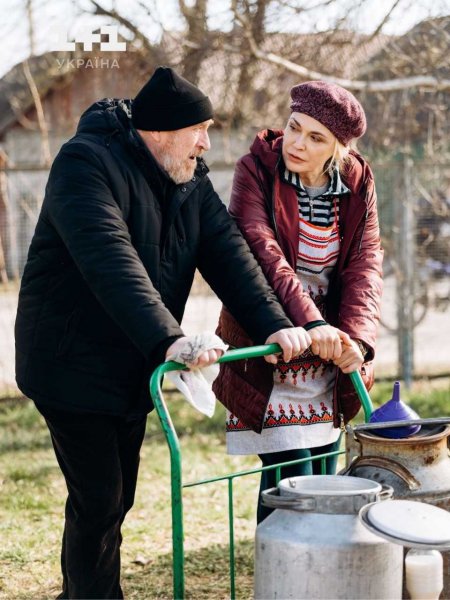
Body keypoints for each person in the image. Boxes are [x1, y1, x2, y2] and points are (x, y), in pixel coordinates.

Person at [14, 66, 312, 599]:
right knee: (100, 498)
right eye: (198, 129)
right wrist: (170, 340)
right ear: (161, 131)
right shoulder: (84, 165)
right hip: (68, 363)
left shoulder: (187, 180)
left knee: (115, 498)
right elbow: (112, 262)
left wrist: (278, 326)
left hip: (129, 365)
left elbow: (232, 258)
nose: (205, 141)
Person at [213, 80, 383, 522]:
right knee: (290, 480)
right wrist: (312, 326)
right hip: (277, 337)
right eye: (294, 128)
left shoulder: (357, 182)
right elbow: (263, 252)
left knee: (326, 471)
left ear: (337, 148)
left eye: (315, 137)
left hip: (329, 352)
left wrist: (355, 342)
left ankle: (317, 576)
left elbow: (364, 265)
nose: (298, 143)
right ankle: (280, 578)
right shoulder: (255, 170)